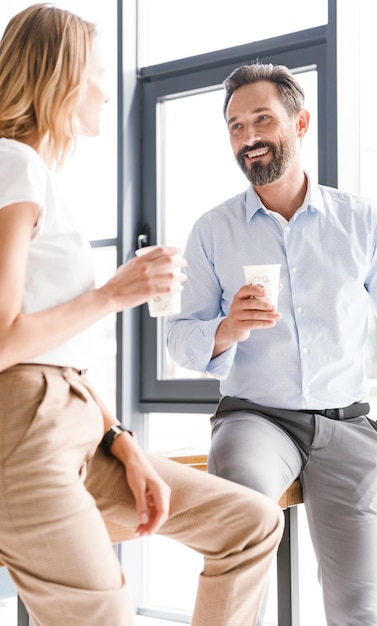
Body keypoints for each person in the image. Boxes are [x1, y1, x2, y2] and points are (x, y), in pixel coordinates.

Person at [0, 8, 284, 626]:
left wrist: (122, 443)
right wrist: (113, 293)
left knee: (250, 524)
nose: (107, 88)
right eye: (99, 72)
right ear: (63, 75)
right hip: (25, 434)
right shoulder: (12, 163)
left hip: (75, 422)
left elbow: (59, 354)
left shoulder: (37, 175)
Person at [167, 62, 377, 626]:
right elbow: (179, 338)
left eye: (262, 118)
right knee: (243, 542)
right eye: (235, 125)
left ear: (300, 123)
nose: (248, 136)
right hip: (256, 420)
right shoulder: (212, 230)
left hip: (351, 427)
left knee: (360, 609)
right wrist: (228, 327)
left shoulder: (360, 221)